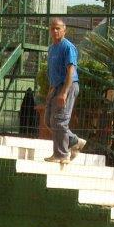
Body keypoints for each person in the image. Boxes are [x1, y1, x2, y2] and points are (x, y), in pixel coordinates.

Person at [44, 18, 87, 164]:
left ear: (64, 30)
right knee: (49, 120)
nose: (55, 31)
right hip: (55, 87)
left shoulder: (68, 47)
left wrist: (64, 92)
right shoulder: (51, 48)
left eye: (58, 28)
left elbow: (70, 71)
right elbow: (52, 71)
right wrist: (51, 89)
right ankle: (74, 141)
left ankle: (62, 155)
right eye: (53, 28)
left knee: (60, 121)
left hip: (67, 85)